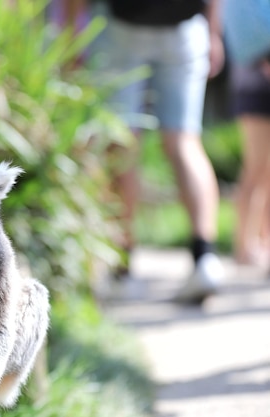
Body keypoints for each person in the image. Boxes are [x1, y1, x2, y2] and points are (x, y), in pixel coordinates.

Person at [63, 0, 225, 303]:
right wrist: (214, 31)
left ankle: (122, 266)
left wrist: (73, 35)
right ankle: (205, 258)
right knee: (185, 141)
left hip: (122, 27)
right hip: (186, 27)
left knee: (123, 144)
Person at [221, 0, 270, 268]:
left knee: (264, 169)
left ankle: (261, 241)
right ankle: (244, 245)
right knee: (257, 166)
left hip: (250, 74)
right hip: (256, 78)